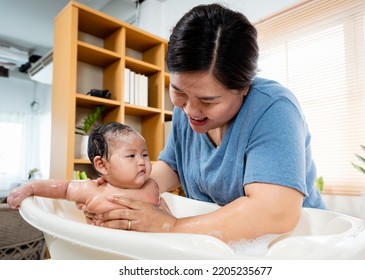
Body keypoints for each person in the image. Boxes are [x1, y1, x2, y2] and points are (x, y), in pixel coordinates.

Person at [72, 3, 329, 243]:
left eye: (208, 100)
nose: (191, 110)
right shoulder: (185, 112)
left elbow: (274, 213)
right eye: (179, 92)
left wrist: (169, 226)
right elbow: (169, 168)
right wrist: (114, 198)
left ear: (244, 88)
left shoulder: (274, 109)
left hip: (297, 246)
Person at [7, 122, 162, 227]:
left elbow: (165, 216)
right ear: (102, 165)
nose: (142, 162)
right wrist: (30, 188)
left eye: (145, 154)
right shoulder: (93, 190)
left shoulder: (152, 186)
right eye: (131, 156)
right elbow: (64, 188)